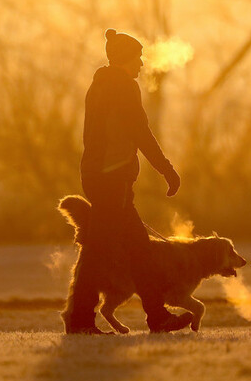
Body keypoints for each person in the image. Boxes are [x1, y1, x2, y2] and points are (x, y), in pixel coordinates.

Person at [61, 28, 192, 334]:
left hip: (100, 177)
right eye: (139, 58)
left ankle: (157, 317)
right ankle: (80, 321)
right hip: (111, 180)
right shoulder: (122, 87)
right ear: (126, 59)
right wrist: (167, 169)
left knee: (138, 250)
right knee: (100, 252)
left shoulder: (99, 85)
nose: (143, 65)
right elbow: (141, 133)